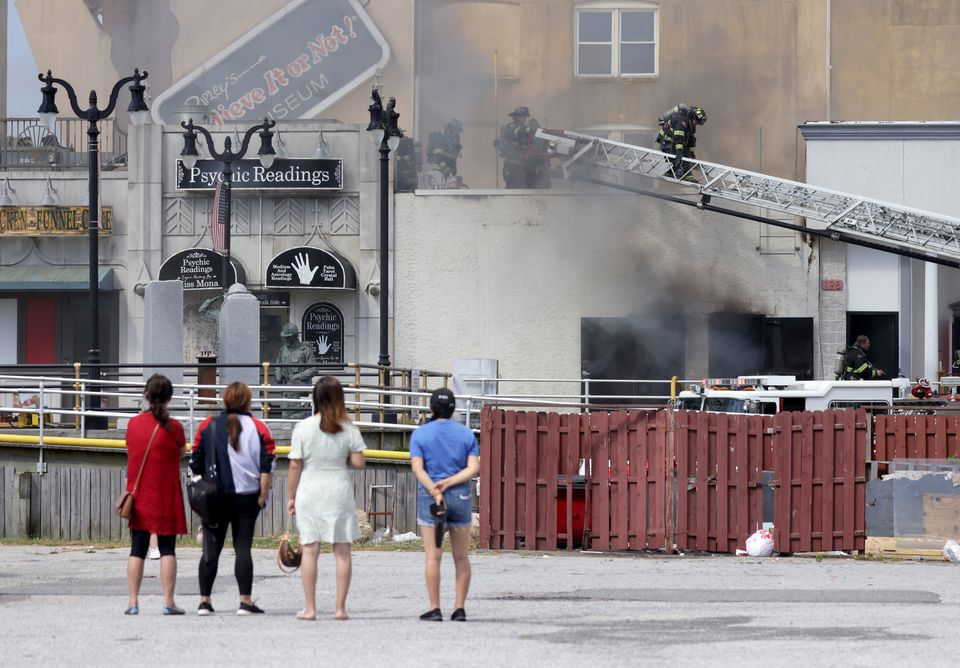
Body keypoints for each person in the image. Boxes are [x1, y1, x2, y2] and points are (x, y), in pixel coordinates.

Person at [190, 382, 275, 616]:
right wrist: (262, 495)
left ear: (225, 400)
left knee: (211, 549)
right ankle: (245, 601)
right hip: (248, 498)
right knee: (243, 548)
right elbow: (267, 466)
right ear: (248, 401)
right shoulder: (259, 427)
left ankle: (204, 602)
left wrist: (202, 491)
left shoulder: (208, 426)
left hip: (214, 498)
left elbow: (195, 462)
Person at [286, 376, 367, 621]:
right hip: (338, 490)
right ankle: (340, 609)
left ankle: (310, 608)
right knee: (342, 551)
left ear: (315, 399)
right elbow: (359, 462)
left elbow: (294, 466)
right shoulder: (348, 427)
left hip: (310, 491)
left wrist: (291, 496)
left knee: (310, 550)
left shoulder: (303, 427)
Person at [410, 388, 481, 622]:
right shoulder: (466, 434)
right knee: (461, 556)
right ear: (453, 409)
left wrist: (434, 489)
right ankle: (459, 608)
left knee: (433, 556)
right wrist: (449, 482)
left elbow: (418, 469)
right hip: (459, 496)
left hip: (431, 499)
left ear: (431, 407)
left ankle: (435, 607)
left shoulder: (420, 434)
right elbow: (473, 468)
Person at [124, 374, 188, 615]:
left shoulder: (133, 425)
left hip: (139, 495)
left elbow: (132, 449)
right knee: (168, 548)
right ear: (169, 398)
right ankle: (168, 601)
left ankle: (133, 602)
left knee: (137, 549)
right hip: (166, 494)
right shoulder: (175, 428)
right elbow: (181, 453)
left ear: (146, 396)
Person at [498, 106, 550, 189]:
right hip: (513, 167)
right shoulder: (511, 127)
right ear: (517, 117)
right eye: (524, 117)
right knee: (514, 191)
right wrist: (530, 130)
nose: (525, 119)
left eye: (526, 117)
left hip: (520, 167)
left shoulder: (521, 129)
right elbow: (519, 131)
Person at [274, 323, 318, 418]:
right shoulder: (283, 350)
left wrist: (296, 377)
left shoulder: (305, 350)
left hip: (300, 392)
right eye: (285, 338)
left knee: (299, 419)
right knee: (285, 419)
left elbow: (314, 369)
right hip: (286, 391)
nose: (286, 340)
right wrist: (278, 374)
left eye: (289, 337)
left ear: (295, 336)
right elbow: (278, 365)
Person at [425, 119, 463, 189]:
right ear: (451, 129)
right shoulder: (441, 139)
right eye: (456, 131)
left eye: (458, 132)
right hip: (439, 174)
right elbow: (436, 157)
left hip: (447, 174)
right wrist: (445, 167)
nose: (457, 134)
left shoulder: (450, 142)